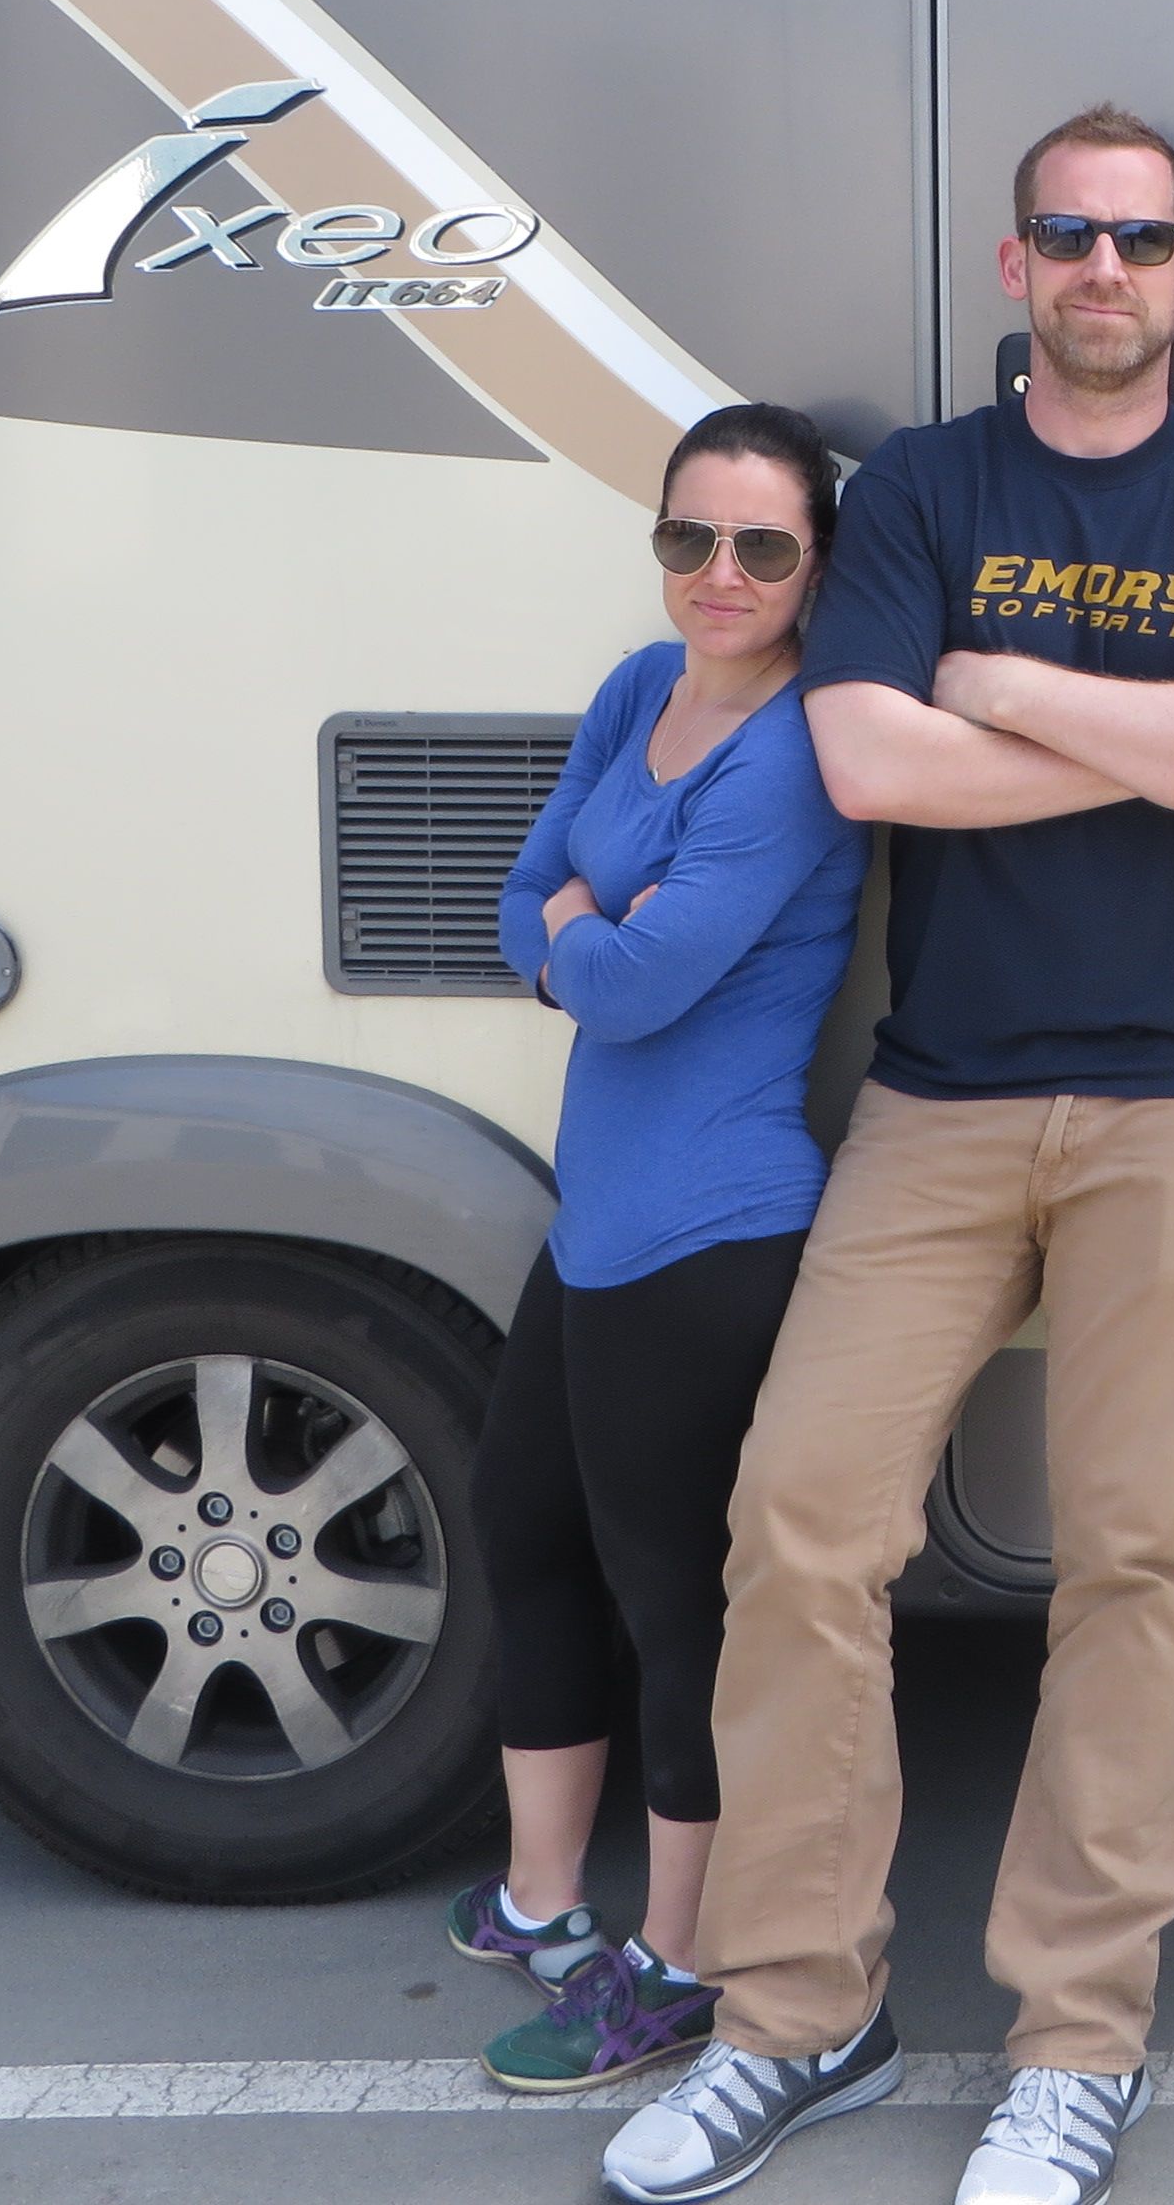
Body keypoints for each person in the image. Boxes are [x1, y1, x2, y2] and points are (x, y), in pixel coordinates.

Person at [603, 105, 1174, 2205]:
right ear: (1014, 264)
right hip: (935, 1095)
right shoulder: (924, 489)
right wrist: (1163, 718)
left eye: (1141, 238)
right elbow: (869, 760)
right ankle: (795, 2014)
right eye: (1067, 233)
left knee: (1139, 1558)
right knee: (797, 1526)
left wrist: (1006, 682)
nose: (1104, 267)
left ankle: (1074, 2041)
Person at [460, 400, 867, 2095]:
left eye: (764, 546)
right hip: (598, 1224)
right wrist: (572, 925)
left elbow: (633, 986)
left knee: (675, 1606)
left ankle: (686, 1960)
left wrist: (573, 930)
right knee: (523, 1525)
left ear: (815, 565)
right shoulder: (643, 691)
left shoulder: (796, 754)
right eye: (690, 536)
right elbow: (522, 891)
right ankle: (544, 1901)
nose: (722, 573)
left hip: (708, 1238)